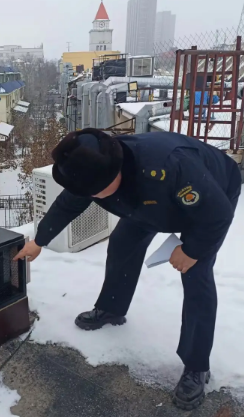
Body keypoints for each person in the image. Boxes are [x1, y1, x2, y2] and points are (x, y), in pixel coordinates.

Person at [14, 128, 241, 410]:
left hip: (209, 197)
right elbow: (68, 203)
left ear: (114, 174)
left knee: (196, 274)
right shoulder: (92, 171)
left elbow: (217, 215)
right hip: (146, 201)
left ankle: (197, 367)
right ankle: (112, 308)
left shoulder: (170, 165)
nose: (91, 197)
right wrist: (39, 241)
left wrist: (192, 250)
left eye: (95, 193)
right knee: (122, 242)